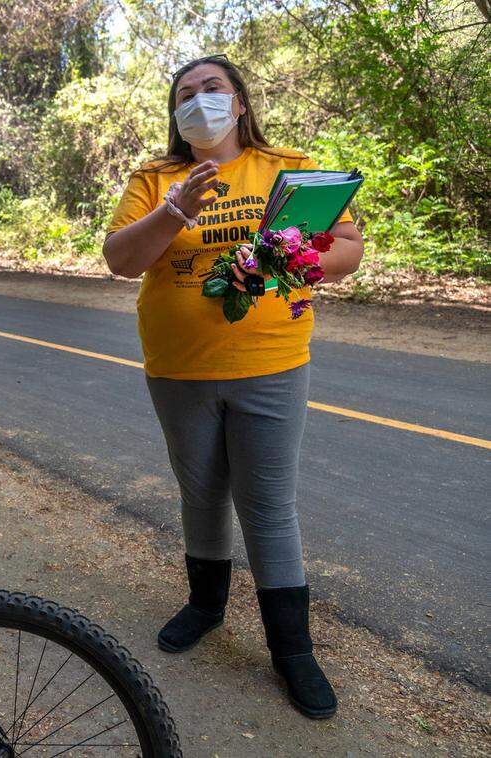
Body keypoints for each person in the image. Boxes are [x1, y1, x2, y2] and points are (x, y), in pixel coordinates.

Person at [102, 54, 364, 720]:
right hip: (179, 369)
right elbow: (120, 261)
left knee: (268, 504)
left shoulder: (291, 167)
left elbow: (348, 249)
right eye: (185, 95)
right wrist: (174, 211)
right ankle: (205, 606)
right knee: (202, 493)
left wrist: (296, 261)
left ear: (240, 101)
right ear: (175, 114)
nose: (199, 102)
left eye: (212, 89)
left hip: (271, 362)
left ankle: (292, 649)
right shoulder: (154, 178)